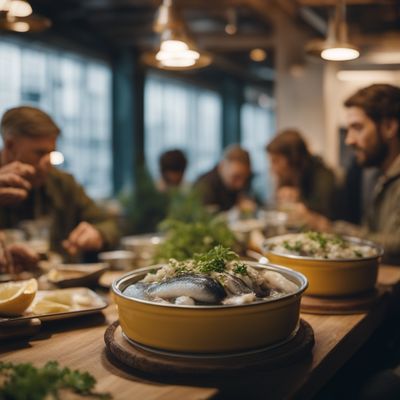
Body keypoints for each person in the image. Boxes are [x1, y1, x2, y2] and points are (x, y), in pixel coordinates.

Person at [0, 106, 119, 259]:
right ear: (10, 146)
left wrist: (98, 234)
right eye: (40, 153)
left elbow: (109, 225)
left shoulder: (62, 183)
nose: (47, 163)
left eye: (51, 153)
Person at [300, 84, 400, 265]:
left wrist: (331, 229)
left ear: (389, 127)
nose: (349, 140)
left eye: (358, 128)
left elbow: (396, 246)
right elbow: (374, 235)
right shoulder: (379, 174)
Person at [266, 129, 337, 219]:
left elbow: (324, 214)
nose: (272, 168)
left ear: (294, 159)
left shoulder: (323, 176)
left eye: (276, 161)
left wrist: (298, 199)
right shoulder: (288, 177)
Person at [194, 144, 255, 212]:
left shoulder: (242, 179)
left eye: (245, 177)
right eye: (236, 177)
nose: (240, 184)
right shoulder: (204, 185)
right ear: (222, 166)